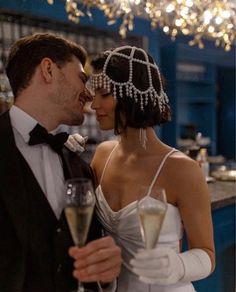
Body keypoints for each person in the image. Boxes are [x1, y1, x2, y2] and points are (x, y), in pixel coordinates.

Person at [86, 46, 215, 292]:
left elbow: (207, 256)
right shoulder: (102, 155)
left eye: (103, 94)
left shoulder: (182, 169)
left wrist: (175, 265)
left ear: (130, 95)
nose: (94, 105)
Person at [0, 33, 121, 292]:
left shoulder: (80, 168)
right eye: (82, 78)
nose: (89, 95)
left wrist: (106, 277)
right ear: (48, 70)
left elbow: (91, 268)